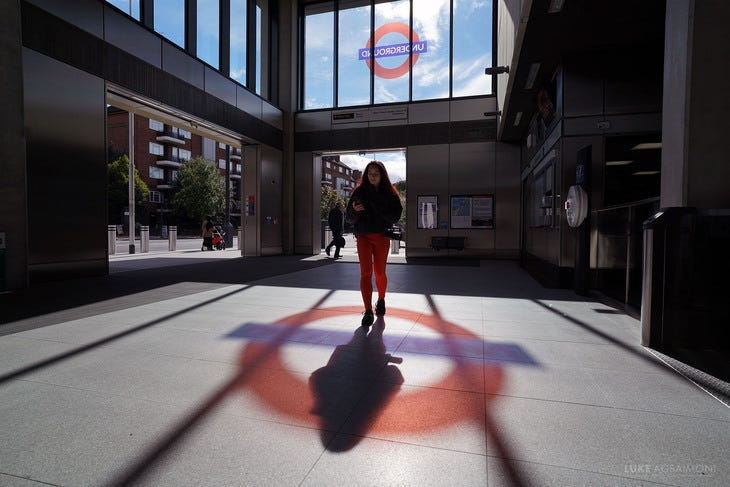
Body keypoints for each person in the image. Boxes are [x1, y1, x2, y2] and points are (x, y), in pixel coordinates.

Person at [346, 161, 403, 327]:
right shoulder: (359, 192)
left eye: (376, 173)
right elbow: (348, 218)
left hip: (381, 237)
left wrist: (377, 206)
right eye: (370, 173)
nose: (372, 176)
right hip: (363, 236)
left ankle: (381, 299)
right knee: (365, 272)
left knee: (379, 272)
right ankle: (368, 311)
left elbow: (395, 216)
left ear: (382, 175)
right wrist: (354, 212)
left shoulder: (390, 193)